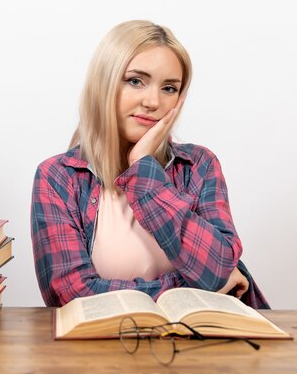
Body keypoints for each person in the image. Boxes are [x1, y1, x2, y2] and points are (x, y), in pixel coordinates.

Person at [30, 20, 269, 309]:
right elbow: (71, 294)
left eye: (169, 88)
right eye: (135, 81)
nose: (153, 101)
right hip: (101, 348)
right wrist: (187, 288)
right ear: (103, 84)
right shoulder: (58, 177)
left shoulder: (199, 166)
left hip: (205, 346)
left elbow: (218, 266)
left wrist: (143, 171)